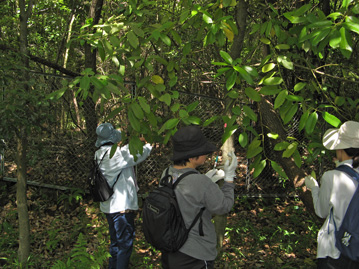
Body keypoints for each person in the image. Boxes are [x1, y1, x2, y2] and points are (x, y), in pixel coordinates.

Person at [160, 125, 237, 269]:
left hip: (171, 248)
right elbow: (223, 206)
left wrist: (206, 181)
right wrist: (229, 178)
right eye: (203, 151)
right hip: (196, 254)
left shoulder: (166, 173)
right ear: (191, 156)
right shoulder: (200, 182)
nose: (206, 154)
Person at [94, 123, 152, 269]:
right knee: (124, 245)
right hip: (121, 208)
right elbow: (139, 153)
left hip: (108, 207)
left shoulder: (99, 154)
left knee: (115, 243)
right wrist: (150, 143)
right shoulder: (116, 154)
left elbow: (128, 152)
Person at [305, 121, 359, 269]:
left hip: (334, 250)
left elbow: (321, 211)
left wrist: (314, 188)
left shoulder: (331, 177)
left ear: (340, 149)